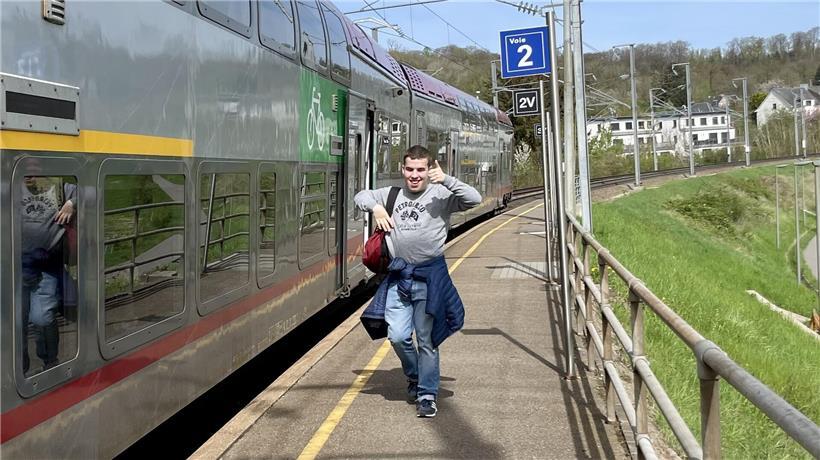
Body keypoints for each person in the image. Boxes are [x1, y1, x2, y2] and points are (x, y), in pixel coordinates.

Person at [355, 144, 481, 418]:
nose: (414, 175)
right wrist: (376, 207)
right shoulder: (390, 194)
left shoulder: (441, 195)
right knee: (398, 336)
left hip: (428, 276)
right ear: (403, 169)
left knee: (426, 340)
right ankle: (414, 375)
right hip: (398, 276)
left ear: (430, 169)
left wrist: (445, 179)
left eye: (421, 169)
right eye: (410, 169)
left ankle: (426, 393)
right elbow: (359, 195)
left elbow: (474, 198)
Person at [20, 175, 76, 374]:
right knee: (16, 322)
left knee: (42, 317)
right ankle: (20, 369)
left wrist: (71, 203)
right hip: (15, 267)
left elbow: (90, 189)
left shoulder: (59, 186)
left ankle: (50, 362)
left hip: (47, 266)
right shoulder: (9, 185)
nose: (29, 175)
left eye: (34, 169)